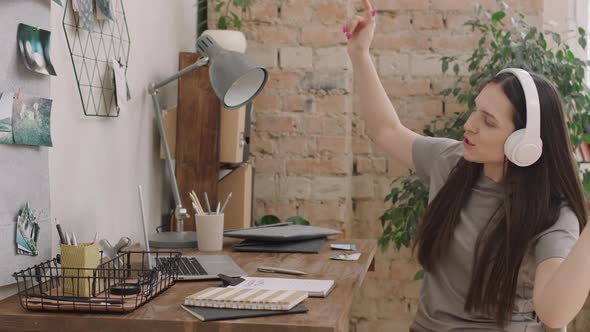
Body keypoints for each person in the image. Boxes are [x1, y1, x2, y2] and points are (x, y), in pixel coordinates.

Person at [343, 0, 590, 331]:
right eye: (476, 110)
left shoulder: (553, 214)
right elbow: (387, 131)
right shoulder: (451, 162)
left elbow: (555, 314)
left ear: (526, 144)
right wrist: (360, 54)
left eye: (488, 121)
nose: (470, 125)